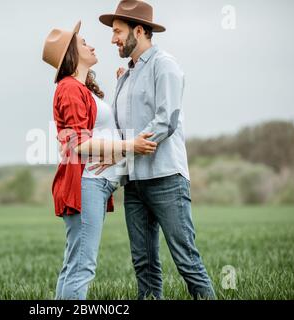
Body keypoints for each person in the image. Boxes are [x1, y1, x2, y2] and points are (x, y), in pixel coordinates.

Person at [99, 0, 216, 299]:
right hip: (135, 183)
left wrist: (129, 147)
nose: (113, 39)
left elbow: (166, 120)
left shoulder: (165, 65)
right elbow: (120, 126)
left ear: (139, 31)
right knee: (144, 265)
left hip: (166, 179)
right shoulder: (125, 76)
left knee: (186, 260)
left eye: (117, 32)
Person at [42, 20, 157, 299]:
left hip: (93, 184)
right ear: (71, 53)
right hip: (87, 183)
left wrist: (121, 85)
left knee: (76, 265)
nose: (91, 45)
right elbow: (78, 143)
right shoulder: (69, 88)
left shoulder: (81, 89)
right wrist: (129, 146)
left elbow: (99, 130)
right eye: (83, 43)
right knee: (82, 267)